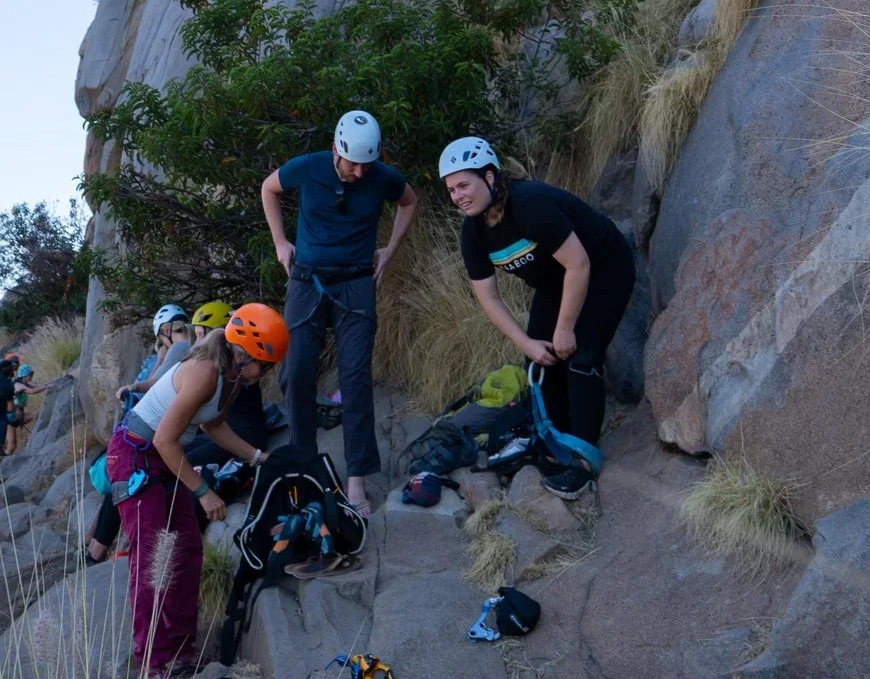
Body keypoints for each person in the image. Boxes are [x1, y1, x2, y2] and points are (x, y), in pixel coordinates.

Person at [439, 137, 638, 495]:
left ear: (488, 177)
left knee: (579, 356)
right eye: (451, 189)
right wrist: (527, 343)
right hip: (555, 282)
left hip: (604, 267)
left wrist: (565, 329)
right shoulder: (473, 231)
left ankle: (581, 462)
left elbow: (579, 263)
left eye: (463, 184)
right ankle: (555, 445)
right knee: (540, 362)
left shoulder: (531, 205)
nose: (458, 195)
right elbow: (489, 298)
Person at [104, 303, 288, 679]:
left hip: (161, 455)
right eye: (265, 365)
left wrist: (258, 457)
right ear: (246, 353)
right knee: (154, 558)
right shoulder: (205, 371)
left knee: (187, 549)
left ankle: (181, 652)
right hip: (136, 455)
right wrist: (203, 490)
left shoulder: (233, 378)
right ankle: (154, 662)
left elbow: (213, 426)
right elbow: (165, 438)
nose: (266, 373)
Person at [260, 110, 418, 516]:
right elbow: (269, 188)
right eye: (351, 163)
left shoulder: (380, 175)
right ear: (335, 149)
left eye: (366, 163)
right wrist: (281, 243)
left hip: (355, 283)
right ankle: (305, 470)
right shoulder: (309, 167)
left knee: (355, 377)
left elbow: (409, 200)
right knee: (296, 372)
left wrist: (391, 250)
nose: (359, 172)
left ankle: (356, 482)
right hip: (306, 279)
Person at [91, 305, 198, 564]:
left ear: (165, 332)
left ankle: (96, 548)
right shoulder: (186, 350)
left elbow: (155, 386)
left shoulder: (180, 349)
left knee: (123, 481)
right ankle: (98, 545)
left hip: (152, 430)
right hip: (166, 429)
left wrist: (135, 384)